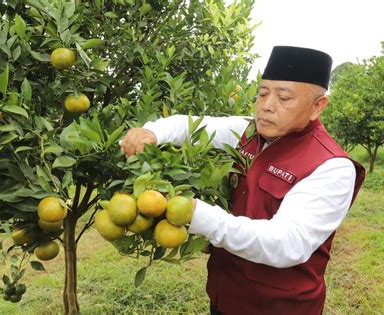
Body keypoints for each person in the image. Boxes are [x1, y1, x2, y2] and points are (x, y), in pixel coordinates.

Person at [121, 46, 366, 315]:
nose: (267, 106)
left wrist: (197, 214)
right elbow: (189, 126)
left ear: (317, 106)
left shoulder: (331, 166)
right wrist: (152, 132)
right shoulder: (246, 132)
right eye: (262, 94)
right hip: (225, 296)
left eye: (284, 98)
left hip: (281, 308)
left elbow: (287, 242)